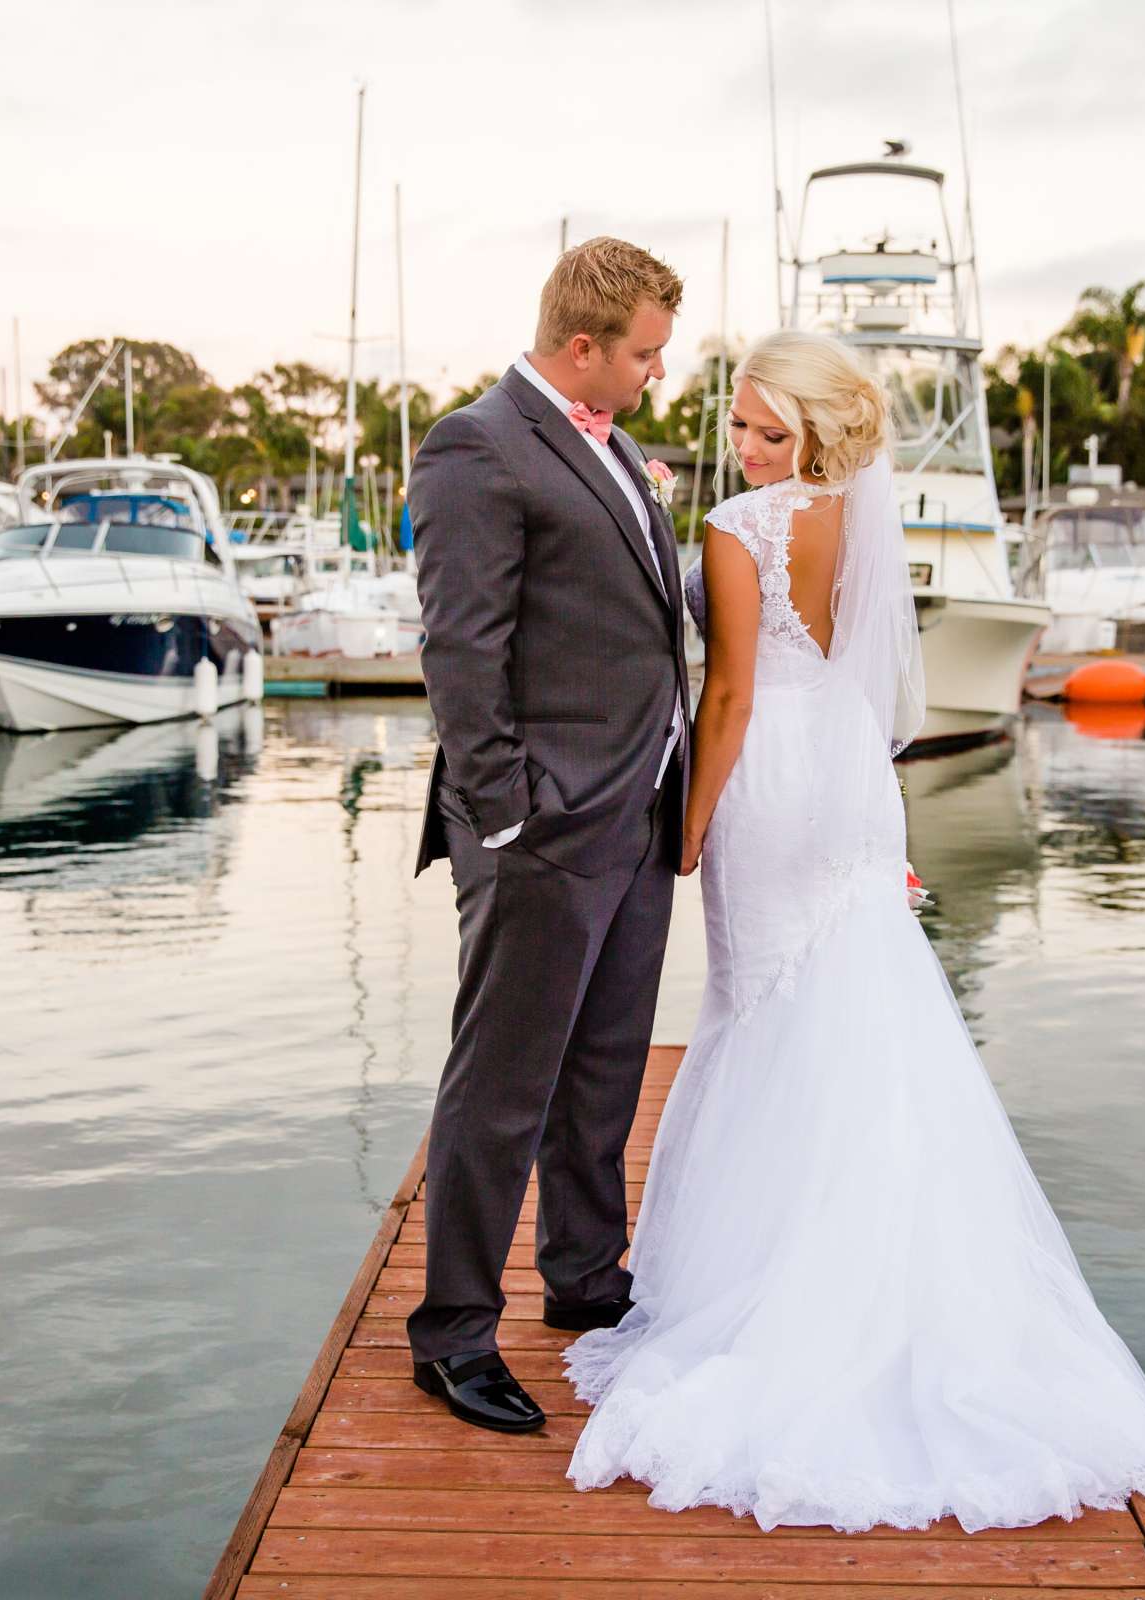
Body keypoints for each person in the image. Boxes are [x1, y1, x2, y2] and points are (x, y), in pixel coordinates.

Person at [562, 330, 1145, 1537]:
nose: (742, 448)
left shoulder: (743, 526)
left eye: (765, 430)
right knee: (856, 988)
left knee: (760, 1002)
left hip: (768, 775)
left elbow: (734, 691)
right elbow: (862, 673)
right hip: (850, 772)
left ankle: (778, 1281)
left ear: (810, 428)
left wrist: (689, 826)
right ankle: (890, 1266)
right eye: (740, 426)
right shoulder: (863, 514)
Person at [404, 238, 691, 1433]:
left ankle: (583, 1277)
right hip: (542, 827)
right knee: (503, 1083)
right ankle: (454, 1333)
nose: (655, 375)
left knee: (606, 1067)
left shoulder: (617, 446)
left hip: (637, 811)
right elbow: (460, 650)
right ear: (584, 347)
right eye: (644, 353)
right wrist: (507, 813)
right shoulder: (476, 445)